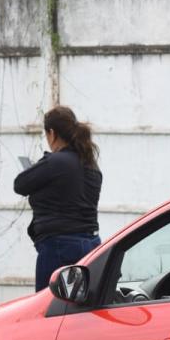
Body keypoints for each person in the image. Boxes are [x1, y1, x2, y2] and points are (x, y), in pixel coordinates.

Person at [14, 106, 103, 291]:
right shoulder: (91, 165)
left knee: (50, 305)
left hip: (59, 248)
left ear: (52, 133)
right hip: (92, 246)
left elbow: (20, 184)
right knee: (83, 304)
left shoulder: (55, 162)